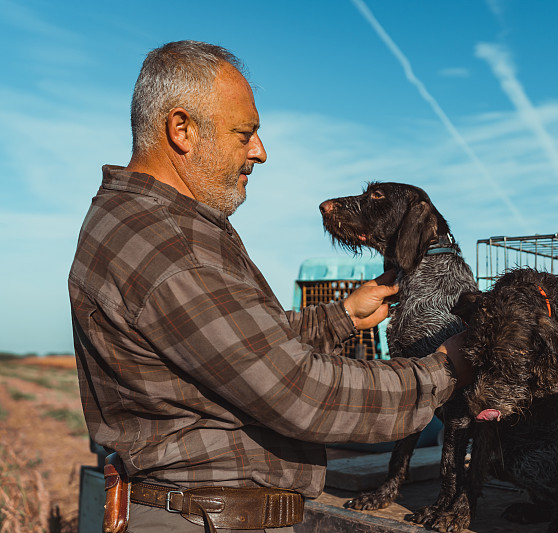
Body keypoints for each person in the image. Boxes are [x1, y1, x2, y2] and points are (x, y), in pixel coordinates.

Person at [68, 40, 471, 532]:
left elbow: (236, 348)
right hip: (208, 520)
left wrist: (340, 318)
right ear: (182, 130)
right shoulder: (168, 244)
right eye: (245, 134)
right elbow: (301, 393)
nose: (260, 152)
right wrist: (443, 368)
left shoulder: (152, 224)